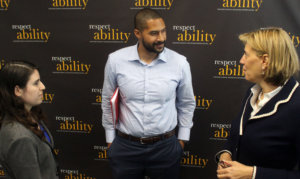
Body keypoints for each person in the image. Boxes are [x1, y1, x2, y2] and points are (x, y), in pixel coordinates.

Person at [101, 8, 196, 179]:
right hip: (125, 148)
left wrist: (181, 141)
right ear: (137, 33)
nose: (161, 38)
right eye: (154, 33)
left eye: (163, 31)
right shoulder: (116, 60)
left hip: (166, 148)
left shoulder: (180, 63)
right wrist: (110, 141)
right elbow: (108, 101)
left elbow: (187, 103)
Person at [216, 27, 300, 179]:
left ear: (265, 61)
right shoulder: (253, 93)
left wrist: (253, 174)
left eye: (246, 55)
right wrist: (226, 154)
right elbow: (237, 135)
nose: (241, 60)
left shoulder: (296, 106)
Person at [0, 61, 59, 179]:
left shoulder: (30, 115)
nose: (43, 87)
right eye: (36, 83)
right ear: (18, 90)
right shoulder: (20, 138)